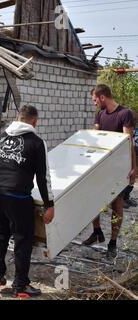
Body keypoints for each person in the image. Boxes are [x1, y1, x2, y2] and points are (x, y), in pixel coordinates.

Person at [0, 105, 55, 297]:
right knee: (23, 238)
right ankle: (21, 285)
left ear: (18, 118)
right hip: (16, 194)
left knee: (0, 232)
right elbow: (42, 178)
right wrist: (49, 205)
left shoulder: (0, 137)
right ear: (34, 121)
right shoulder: (36, 142)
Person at [82, 84, 137, 259]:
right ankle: (97, 232)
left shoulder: (124, 114)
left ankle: (112, 243)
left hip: (119, 167)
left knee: (116, 204)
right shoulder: (100, 114)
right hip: (101, 165)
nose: (94, 103)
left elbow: (129, 143)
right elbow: (95, 136)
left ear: (103, 97)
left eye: (95, 100)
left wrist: (134, 168)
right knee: (92, 200)